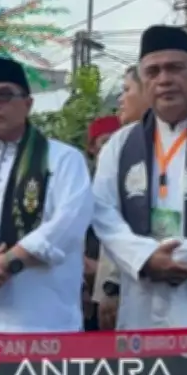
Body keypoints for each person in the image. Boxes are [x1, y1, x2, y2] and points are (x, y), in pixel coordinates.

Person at [92, 25, 187, 375]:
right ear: (143, 82)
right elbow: (102, 212)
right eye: (153, 72)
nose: (165, 80)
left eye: (176, 68)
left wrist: (179, 258)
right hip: (140, 312)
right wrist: (143, 258)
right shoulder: (121, 143)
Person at [0, 58, 93, 335]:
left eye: (4, 95)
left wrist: (6, 262)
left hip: (40, 319)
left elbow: (68, 224)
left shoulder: (63, 159)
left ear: (27, 104)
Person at [93, 65, 151, 330]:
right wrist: (111, 286)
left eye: (127, 90)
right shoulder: (122, 143)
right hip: (128, 283)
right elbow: (106, 215)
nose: (121, 99)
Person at [82, 115, 121, 331]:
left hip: (114, 287)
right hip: (85, 290)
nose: (111, 148)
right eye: (105, 142)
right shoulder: (81, 183)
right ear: (92, 148)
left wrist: (104, 273)